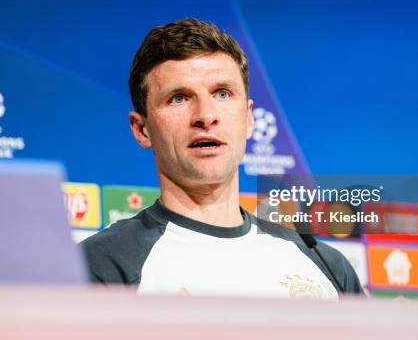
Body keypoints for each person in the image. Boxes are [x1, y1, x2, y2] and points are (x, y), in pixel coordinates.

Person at [82, 18, 364, 298]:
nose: (206, 115)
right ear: (142, 129)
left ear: (248, 118)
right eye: (179, 98)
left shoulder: (328, 266)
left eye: (222, 93)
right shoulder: (101, 265)